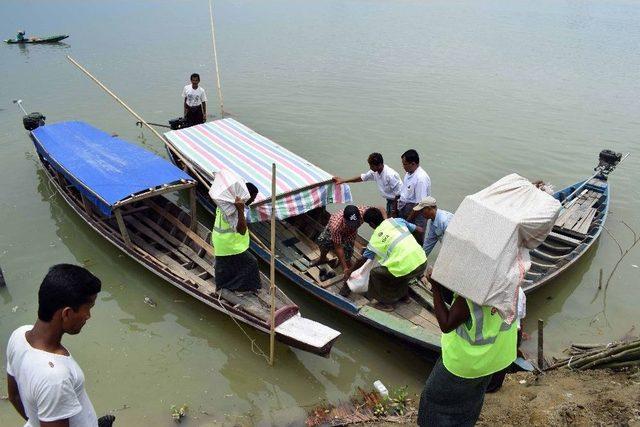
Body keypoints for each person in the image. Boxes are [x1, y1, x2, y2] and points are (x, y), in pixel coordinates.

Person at [5, 264, 116, 427]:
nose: (89, 316)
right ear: (67, 313)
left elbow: (14, 397)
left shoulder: (19, 336)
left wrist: (35, 422)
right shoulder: (55, 377)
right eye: (88, 309)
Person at [417, 271, 518, 426]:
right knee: (470, 402)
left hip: (465, 363)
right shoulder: (513, 284)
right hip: (494, 359)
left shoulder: (471, 296)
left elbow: (446, 324)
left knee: (433, 401)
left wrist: (435, 287)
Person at [342, 207, 427, 311]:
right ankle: (405, 297)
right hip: (422, 261)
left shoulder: (374, 240)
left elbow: (362, 260)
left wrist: (349, 271)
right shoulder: (397, 221)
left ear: (371, 224)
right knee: (400, 268)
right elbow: (420, 230)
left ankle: (387, 303)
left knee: (376, 273)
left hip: (408, 268)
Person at [212, 183, 261, 292]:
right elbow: (242, 230)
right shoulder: (234, 210)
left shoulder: (224, 202)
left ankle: (222, 285)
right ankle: (231, 287)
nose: (253, 201)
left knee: (225, 265)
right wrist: (240, 210)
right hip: (228, 244)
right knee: (251, 263)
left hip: (220, 239)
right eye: (252, 197)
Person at [333, 153, 402, 216]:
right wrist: (344, 180)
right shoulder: (375, 172)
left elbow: (398, 194)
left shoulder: (391, 175)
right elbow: (362, 178)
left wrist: (394, 210)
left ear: (380, 165)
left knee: (395, 220)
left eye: (372, 166)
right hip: (389, 200)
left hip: (398, 202)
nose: (370, 168)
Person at [311, 205, 368, 280]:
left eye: (355, 224)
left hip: (350, 235)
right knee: (323, 242)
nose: (353, 227)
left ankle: (348, 267)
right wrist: (345, 268)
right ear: (344, 219)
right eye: (351, 224)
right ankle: (323, 258)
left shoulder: (363, 212)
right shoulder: (336, 226)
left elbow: (380, 209)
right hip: (334, 232)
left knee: (348, 253)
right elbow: (338, 247)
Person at [396, 149, 431, 241]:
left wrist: (408, 221)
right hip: (404, 209)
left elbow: (420, 204)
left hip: (416, 214)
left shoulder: (421, 178)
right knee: (403, 238)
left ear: (413, 163)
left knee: (415, 240)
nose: (403, 166)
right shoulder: (409, 173)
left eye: (405, 164)